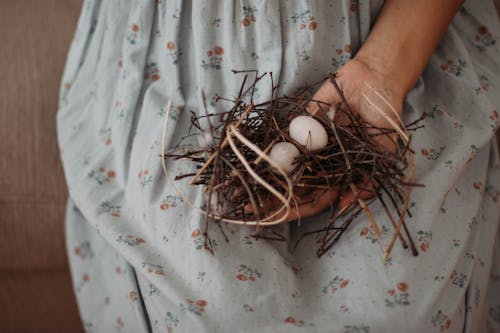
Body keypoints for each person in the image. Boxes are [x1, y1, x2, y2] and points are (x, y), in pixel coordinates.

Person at [57, 0, 500, 332]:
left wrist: (383, 69)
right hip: (174, 61)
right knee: (208, 306)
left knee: (401, 309)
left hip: (400, 46)